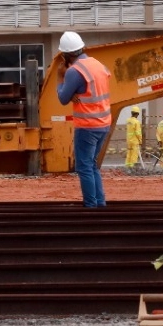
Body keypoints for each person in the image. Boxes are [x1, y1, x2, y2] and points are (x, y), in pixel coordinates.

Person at [55, 30, 112, 208]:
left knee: (84, 167)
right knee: (92, 165)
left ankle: (91, 206)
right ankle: (99, 203)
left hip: (87, 125)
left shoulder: (74, 71)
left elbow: (63, 98)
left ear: (66, 54)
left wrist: (60, 77)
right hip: (103, 123)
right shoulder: (97, 64)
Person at [124, 106, 143, 170]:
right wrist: (140, 140)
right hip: (135, 141)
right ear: (137, 114)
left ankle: (127, 167)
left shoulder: (128, 120)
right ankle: (132, 168)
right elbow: (138, 133)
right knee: (134, 155)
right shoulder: (136, 122)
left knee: (129, 154)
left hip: (129, 140)